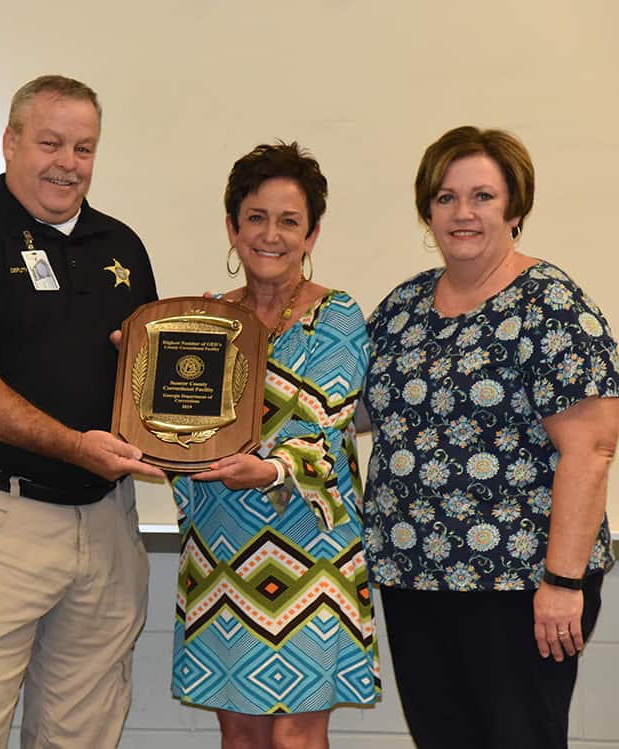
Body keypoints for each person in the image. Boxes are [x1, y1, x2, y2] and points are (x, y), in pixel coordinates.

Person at [0, 74, 163, 748]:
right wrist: (76, 445)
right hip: (0, 521)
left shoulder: (123, 247)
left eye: (84, 148)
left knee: (84, 727)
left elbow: (152, 381)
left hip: (108, 521)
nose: (67, 163)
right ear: (11, 142)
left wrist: (172, 431)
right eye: (50, 142)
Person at [362, 126, 619, 749]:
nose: (463, 213)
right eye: (446, 197)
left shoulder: (550, 304)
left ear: (515, 208)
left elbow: (593, 446)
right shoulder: (404, 306)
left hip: (521, 584)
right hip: (413, 577)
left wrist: (561, 584)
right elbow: (343, 409)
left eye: (482, 196)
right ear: (428, 209)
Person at [172, 142, 379, 748]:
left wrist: (268, 470)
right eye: (256, 217)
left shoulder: (338, 317)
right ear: (233, 228)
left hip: (312, 550)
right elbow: (181, 435)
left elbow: (323, 422)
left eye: (290, 221)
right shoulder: (199, 323)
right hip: (220, 548)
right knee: (240, 737)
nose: (271, 234)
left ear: (312, 233)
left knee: (295, 737)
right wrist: (140, 382)